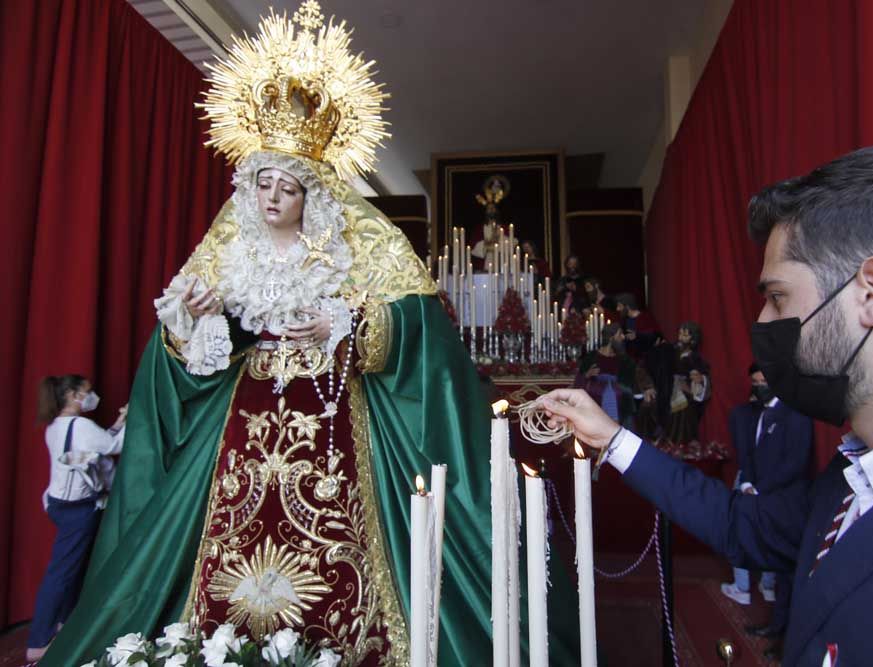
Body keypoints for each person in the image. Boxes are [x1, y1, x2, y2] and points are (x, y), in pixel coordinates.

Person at [41, 5, 580, 666]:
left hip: (335, 415)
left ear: (312, 194)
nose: (270, 197)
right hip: (239, 423)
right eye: (261, 182)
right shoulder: (229, 237)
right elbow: (189, 349)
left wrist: (351, 326)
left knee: (351, 547)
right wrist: (191, 322)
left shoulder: (363, 239)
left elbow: (421, 328)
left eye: (286, 187)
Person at [540, 144, 873, 666]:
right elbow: (742, 526)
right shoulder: (857, 471)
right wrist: (611, 437)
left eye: (778, 297)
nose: (761, 323)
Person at [26, 375, 126, 662]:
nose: (91, 396)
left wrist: (117, 425)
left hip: (59, 504)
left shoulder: (56, 426)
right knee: (62, 573)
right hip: (78, 509)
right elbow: (112, 447)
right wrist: (131, 420)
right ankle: (38, 641)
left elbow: (97, 444)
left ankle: (63, 623)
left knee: (70, 568)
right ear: (72, 395)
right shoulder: (81, 425)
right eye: (86, 392)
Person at [722, 364, 813, 662]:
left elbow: (796, 463)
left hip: (785, 502)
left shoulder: (795, 414)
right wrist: (747, 481)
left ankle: (785, 633)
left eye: (763, 381)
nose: (758, 386)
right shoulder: (756, 413)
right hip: (759, 494)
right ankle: (777, 627)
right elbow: (749, 453)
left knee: (788, 570)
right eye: (755, 381)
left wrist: (761, 488)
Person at [573, 323, 654, 429]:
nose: (623, 337)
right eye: (620, 334)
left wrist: (647, 387)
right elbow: (578, 382)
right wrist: (587, 375)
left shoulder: (623, 359)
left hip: (622, 406)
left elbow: (638, 372)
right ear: (611, 338)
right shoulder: (592, 357)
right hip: (596, 407)